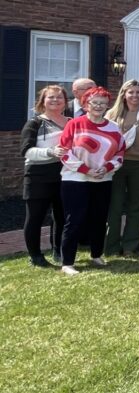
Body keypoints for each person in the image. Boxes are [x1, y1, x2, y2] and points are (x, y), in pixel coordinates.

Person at [57, 86, 125, 275]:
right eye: (94, 102)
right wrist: (86, 170)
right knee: (74, 219)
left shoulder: (113, 127)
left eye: (103, 103)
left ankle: (96, 254)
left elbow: (120, 153)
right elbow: (64, 151)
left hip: (103, 179)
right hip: (75, 179)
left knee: (99, 218)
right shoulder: (75, 124)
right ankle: (67, 262)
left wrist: (107, 168)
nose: (98, 106)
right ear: (86, 104)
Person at [104, 79, 139, 257]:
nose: (135, 95)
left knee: (137, 206)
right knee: (115, 206)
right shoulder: (112, 114)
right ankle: (111, 246)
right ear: (124, 94)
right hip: (116, 164)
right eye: (131, 92)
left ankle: (131, 246)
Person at [20, 85, 70, 267]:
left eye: (59, 97)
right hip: (38, 176)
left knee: (62, 216)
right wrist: (50, 151)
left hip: (65, 175)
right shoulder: (35, 123)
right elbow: (26, 151)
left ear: (66, 101)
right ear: (43, 101)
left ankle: (59, 251)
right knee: (35, 217)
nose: (55, 100)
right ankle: (35, 256)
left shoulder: (72, 122)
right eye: (51, 97)